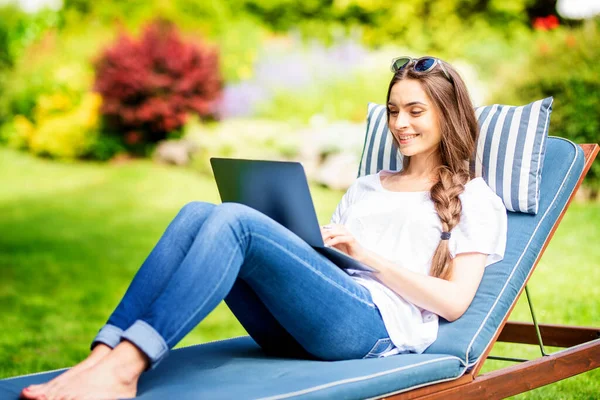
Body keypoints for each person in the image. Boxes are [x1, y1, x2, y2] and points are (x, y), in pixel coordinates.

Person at [20, 56, 507, 400]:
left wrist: (367, 256)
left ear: (448, 114)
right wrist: (305, 244)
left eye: (415, 111)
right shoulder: (367, 185)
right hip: (312, 317)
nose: (400, 123)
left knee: (235, 220)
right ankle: (102, 356)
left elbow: (454, 302)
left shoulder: (475, 199)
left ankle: (126, 369)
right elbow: (326, 262)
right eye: (393, 111)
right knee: (196, 212)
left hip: (370, 328)